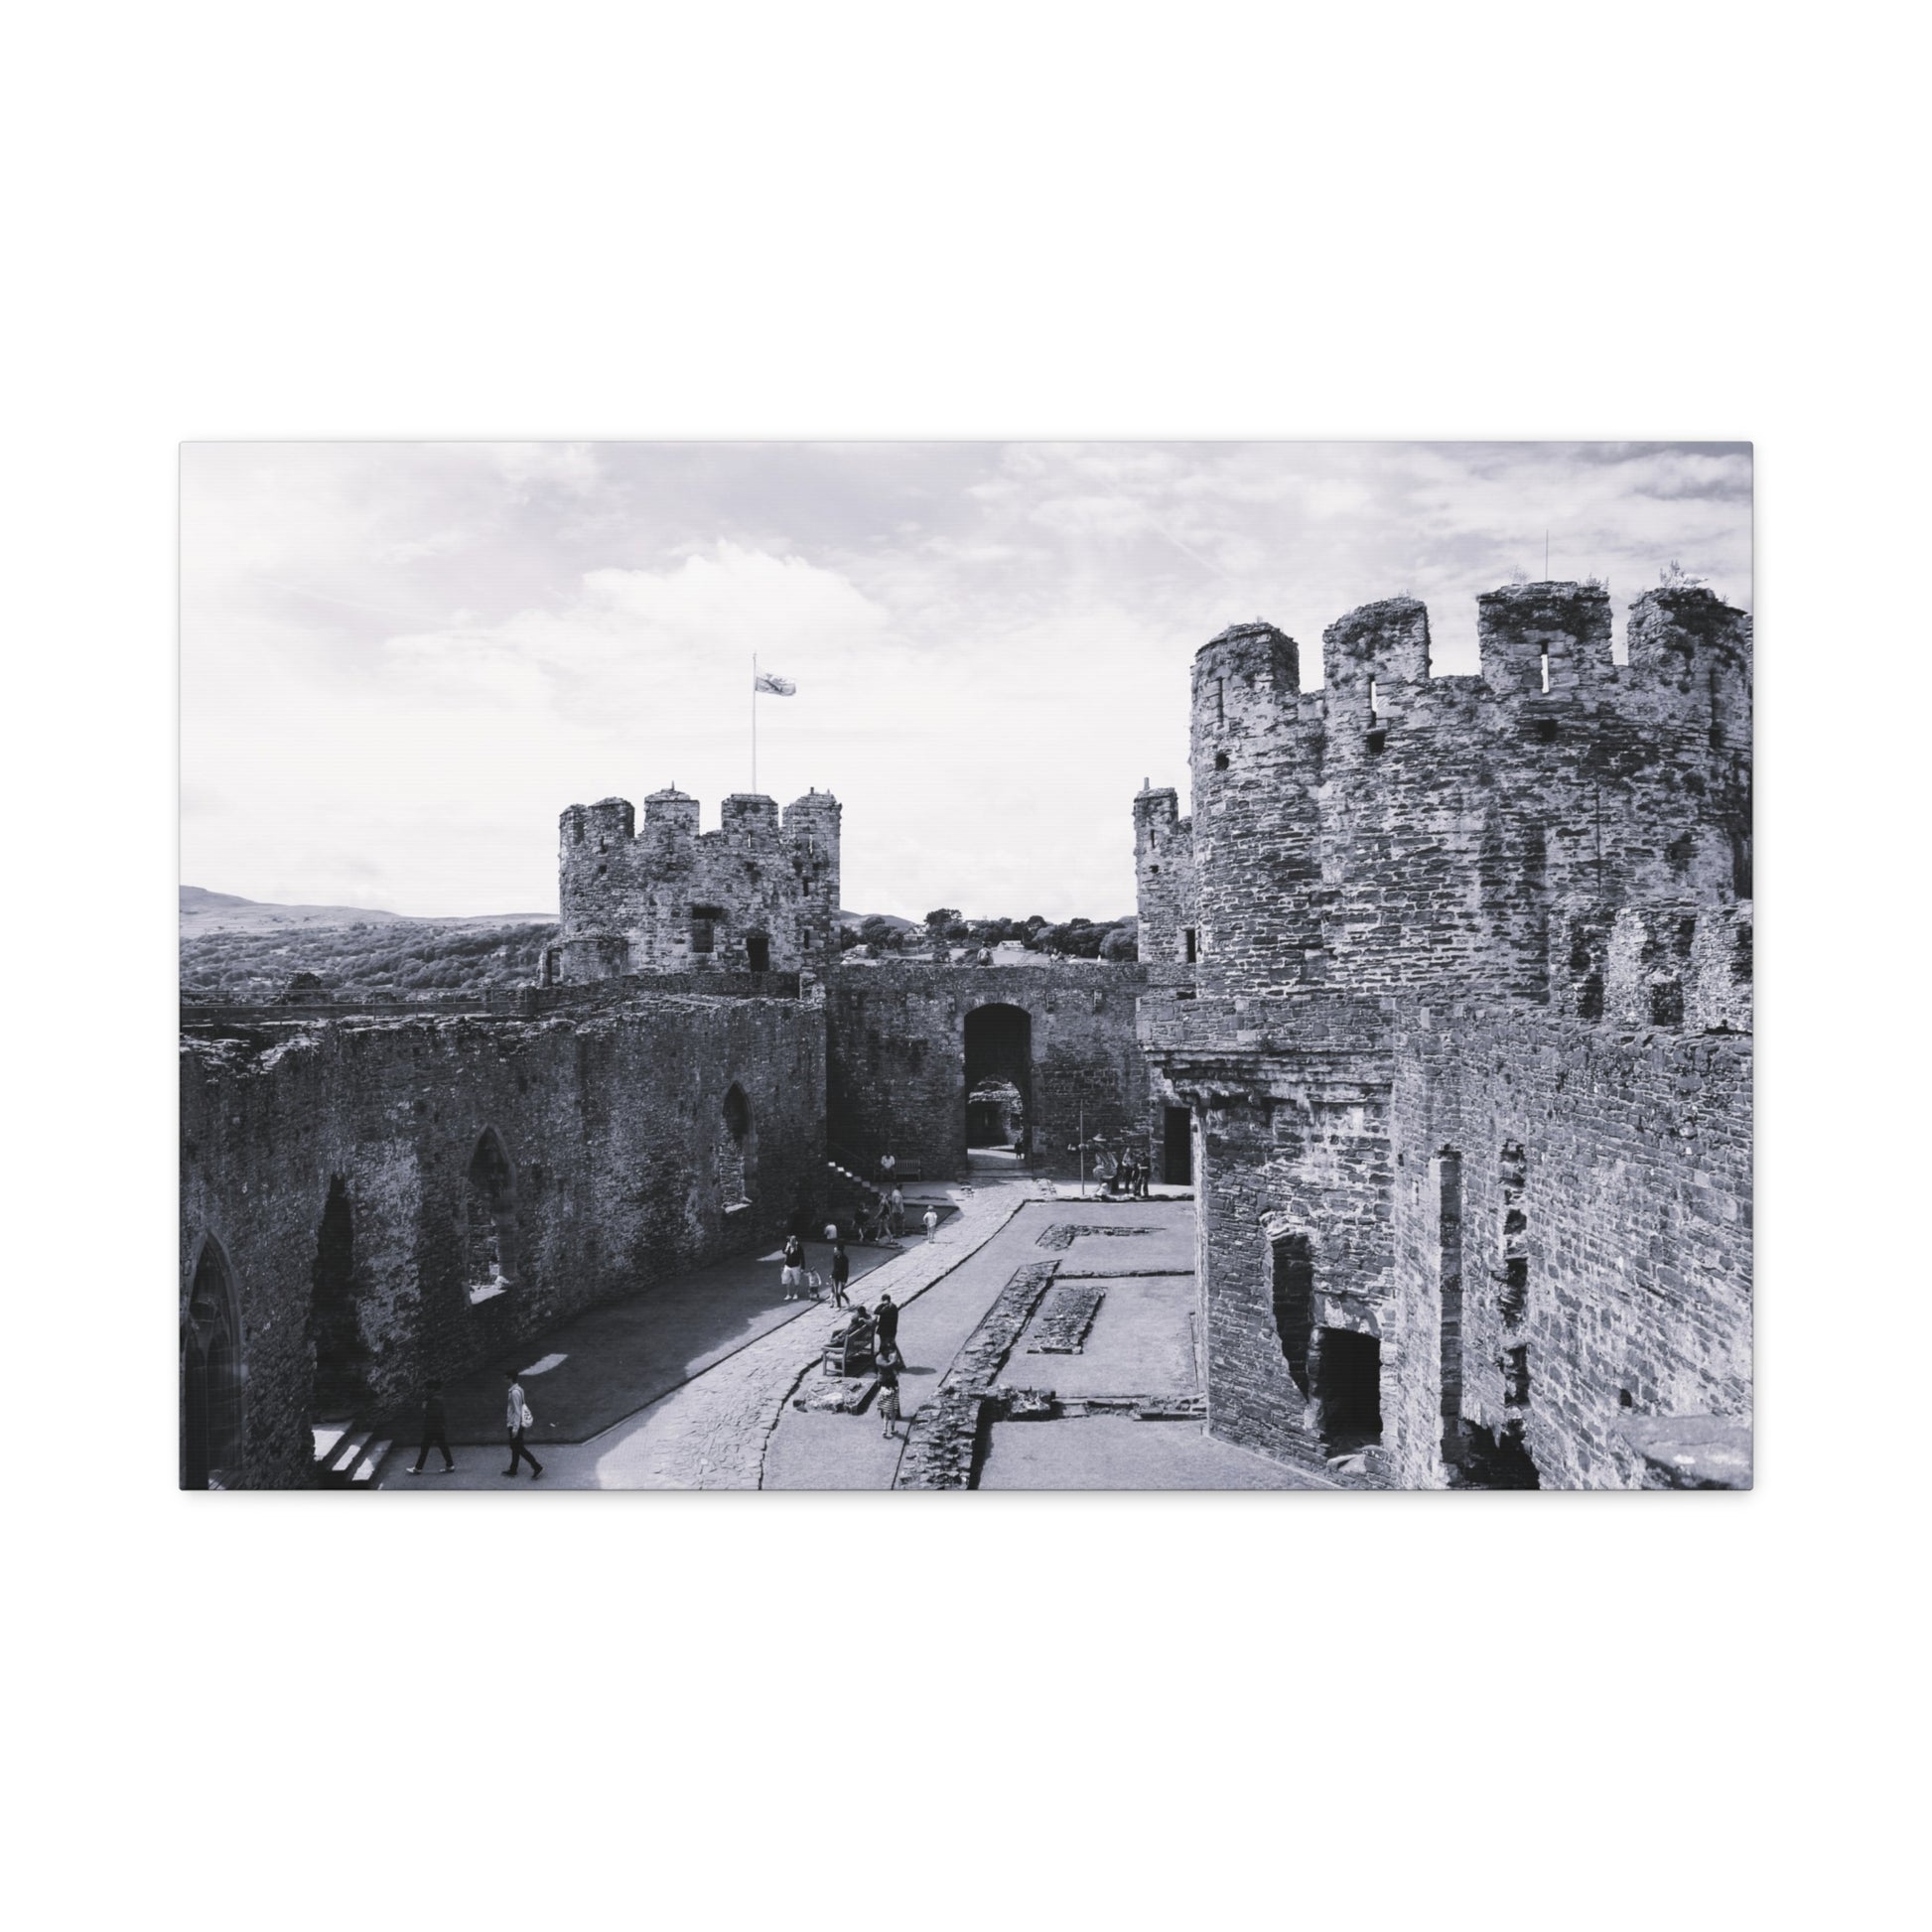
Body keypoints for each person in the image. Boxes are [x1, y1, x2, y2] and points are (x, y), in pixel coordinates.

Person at [502, 1369, 543, 1479]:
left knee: (518, 1447)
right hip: (518, 1423)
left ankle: (536, 1466)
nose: (504, 1378)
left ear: (510, 1378)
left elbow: (517, 1411)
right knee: (515, 1447)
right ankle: (513, 1469)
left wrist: (515, 1428)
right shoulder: (519, 1389)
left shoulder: (515, 1392)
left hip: (515, 1424)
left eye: (505, 1376)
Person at [408, 1379, 455, 1475]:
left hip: (432, 1428)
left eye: (427, 1389)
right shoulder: (436, 1397)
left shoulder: (434, 1399)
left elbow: (434, 1414)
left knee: (425, 1447)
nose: (425, 1390)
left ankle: (418, 1468)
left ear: (432, 1389)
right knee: (442, 1446)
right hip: (438, 1427)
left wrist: (425, 1409)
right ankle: (450, 1465)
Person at [878, 1355, 902, 1439]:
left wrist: (879, 1406)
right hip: (891, 1405)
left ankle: (884, 1430)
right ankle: (892, 1430)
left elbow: (880, 1399)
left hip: (885, 1405)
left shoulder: (883, 1389)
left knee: (885, 1416)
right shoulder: (895, 1390)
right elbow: (896, 1400)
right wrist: (895, 1408)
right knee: (893, 1416)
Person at [874, 1292, 899, 1364]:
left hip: (887, 1331)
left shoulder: (889, 1308)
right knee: (891, 1345)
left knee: (885, 1346)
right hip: (890, 1330)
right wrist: (883, 1304)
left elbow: (877, 1311)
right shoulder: (893, 1306)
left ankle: (885, 1361)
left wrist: (882, 1304)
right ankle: (894, 1360)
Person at [780, 1231, 805, 1301]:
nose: (791, 1243)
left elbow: (802, 1258)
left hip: (796, 1266)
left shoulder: (799, 1247)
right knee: (786, 1280)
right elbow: (783, 1252)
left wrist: (802, 1268)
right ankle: (788, 1294)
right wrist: (787, 1247)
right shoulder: (788, 1245)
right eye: (790, 1242)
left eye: (792, 1242)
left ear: (795, 1241)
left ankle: (796, 1294)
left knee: (796, 1280)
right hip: (787, 1266)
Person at [829, 1238, 851, 1309]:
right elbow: (835, 1267)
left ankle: (847, 1299)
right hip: (835, 1276)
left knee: (839, 1291)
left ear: (840, 1251)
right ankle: (839, 1305)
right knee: (836, 1292)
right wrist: (832, 1275)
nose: (835, 1251)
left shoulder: (845, 1259)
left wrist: (845, 1280)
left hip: (841, 1277)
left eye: (836, 1250)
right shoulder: (835, 1257)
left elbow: (846, 1270)